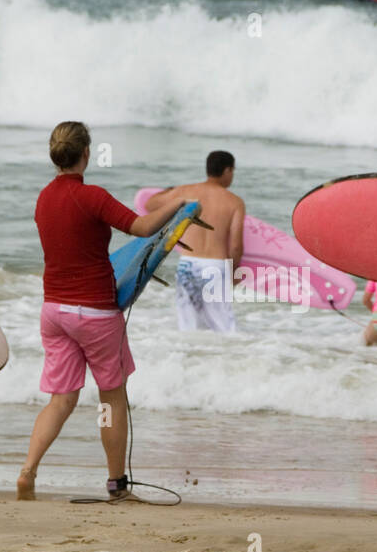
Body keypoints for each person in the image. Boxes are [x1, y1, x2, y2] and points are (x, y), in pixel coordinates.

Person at [17, 122, 186, 501]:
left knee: (60, 400)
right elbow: (142, 228)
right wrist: (177, 204)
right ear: (86, 154)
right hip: (94, 313)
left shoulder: (44, 198)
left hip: (54, 311)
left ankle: (28, 470)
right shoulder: (90, 195)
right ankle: (116, 486)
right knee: (110, 398)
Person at [144, 151, 245, 333]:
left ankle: (189, 359)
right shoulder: (235, 202)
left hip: (188, 264)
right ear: (228, 170)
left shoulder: (185, 192)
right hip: (216, 266)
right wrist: (234, 272)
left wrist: (170, 191)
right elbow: (236, 246)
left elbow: (149, 204)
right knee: (224, 326)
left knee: (188, 325)